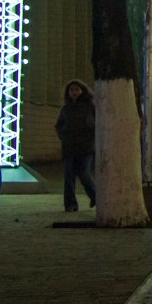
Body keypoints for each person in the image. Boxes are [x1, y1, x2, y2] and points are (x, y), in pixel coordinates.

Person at [55, 80, 96, 212]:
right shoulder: (66, 108)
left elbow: (94, 125)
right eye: (71, 90)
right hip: (69, 147)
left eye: (77, 90)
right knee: (69, 177)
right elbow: (59, 125)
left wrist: (90, 137)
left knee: (84, 174)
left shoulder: (89, 106)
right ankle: (70, 205)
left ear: (82, 91)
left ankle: (95, 196)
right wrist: (63, 136)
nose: (74, 92)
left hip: (86, 147)